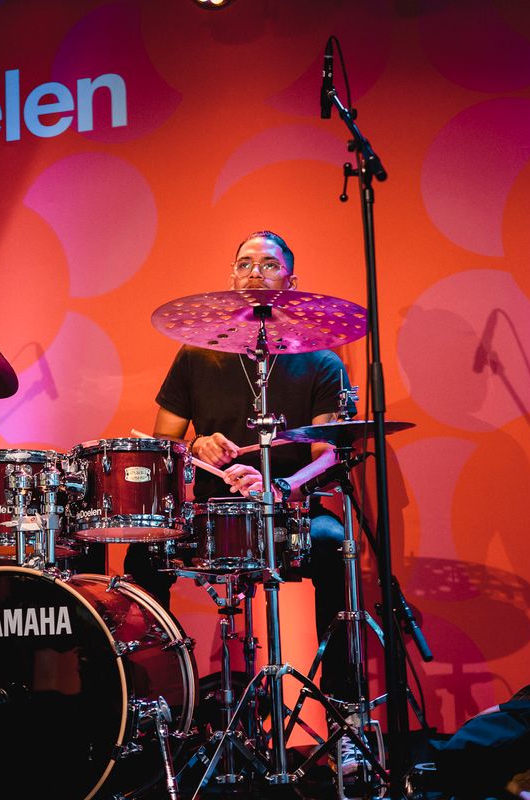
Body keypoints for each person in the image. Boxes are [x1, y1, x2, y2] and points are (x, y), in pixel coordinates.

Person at [125, 230, 365, 773]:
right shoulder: (196, 355)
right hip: (211, 513)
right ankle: (156, 714)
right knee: (142, 557)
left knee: (336, 548)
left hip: (290, 512)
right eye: (244, 264)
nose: (255, 272)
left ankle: (345, 721)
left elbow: (330, 452)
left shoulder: (322, 362)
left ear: (291, 282)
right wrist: (196, 446)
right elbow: (164, 445)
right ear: (232, 279)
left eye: (269, 265)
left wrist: (283, 486)